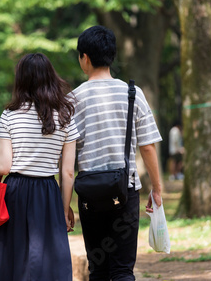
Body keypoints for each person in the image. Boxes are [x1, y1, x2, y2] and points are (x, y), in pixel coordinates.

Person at [72, 25, 163, 280]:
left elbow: (67, 157)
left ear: (85, 58)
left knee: (97, 268)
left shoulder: (74, 99)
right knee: (123, 268)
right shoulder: (132, 93)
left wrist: (64, 201)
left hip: (89, 194)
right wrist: (156, 188)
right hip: (125, 191)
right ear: (111, 55)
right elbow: (147, 145)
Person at [0, 53, 79, 281]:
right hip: (47, 192)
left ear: (21, 79)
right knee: (48, 261)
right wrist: (64, 209)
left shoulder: (10, 115)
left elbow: (4, 167)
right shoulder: (65, 115)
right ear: (50, 77)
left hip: (15, 192)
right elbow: (68, 172)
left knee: (13, 258)